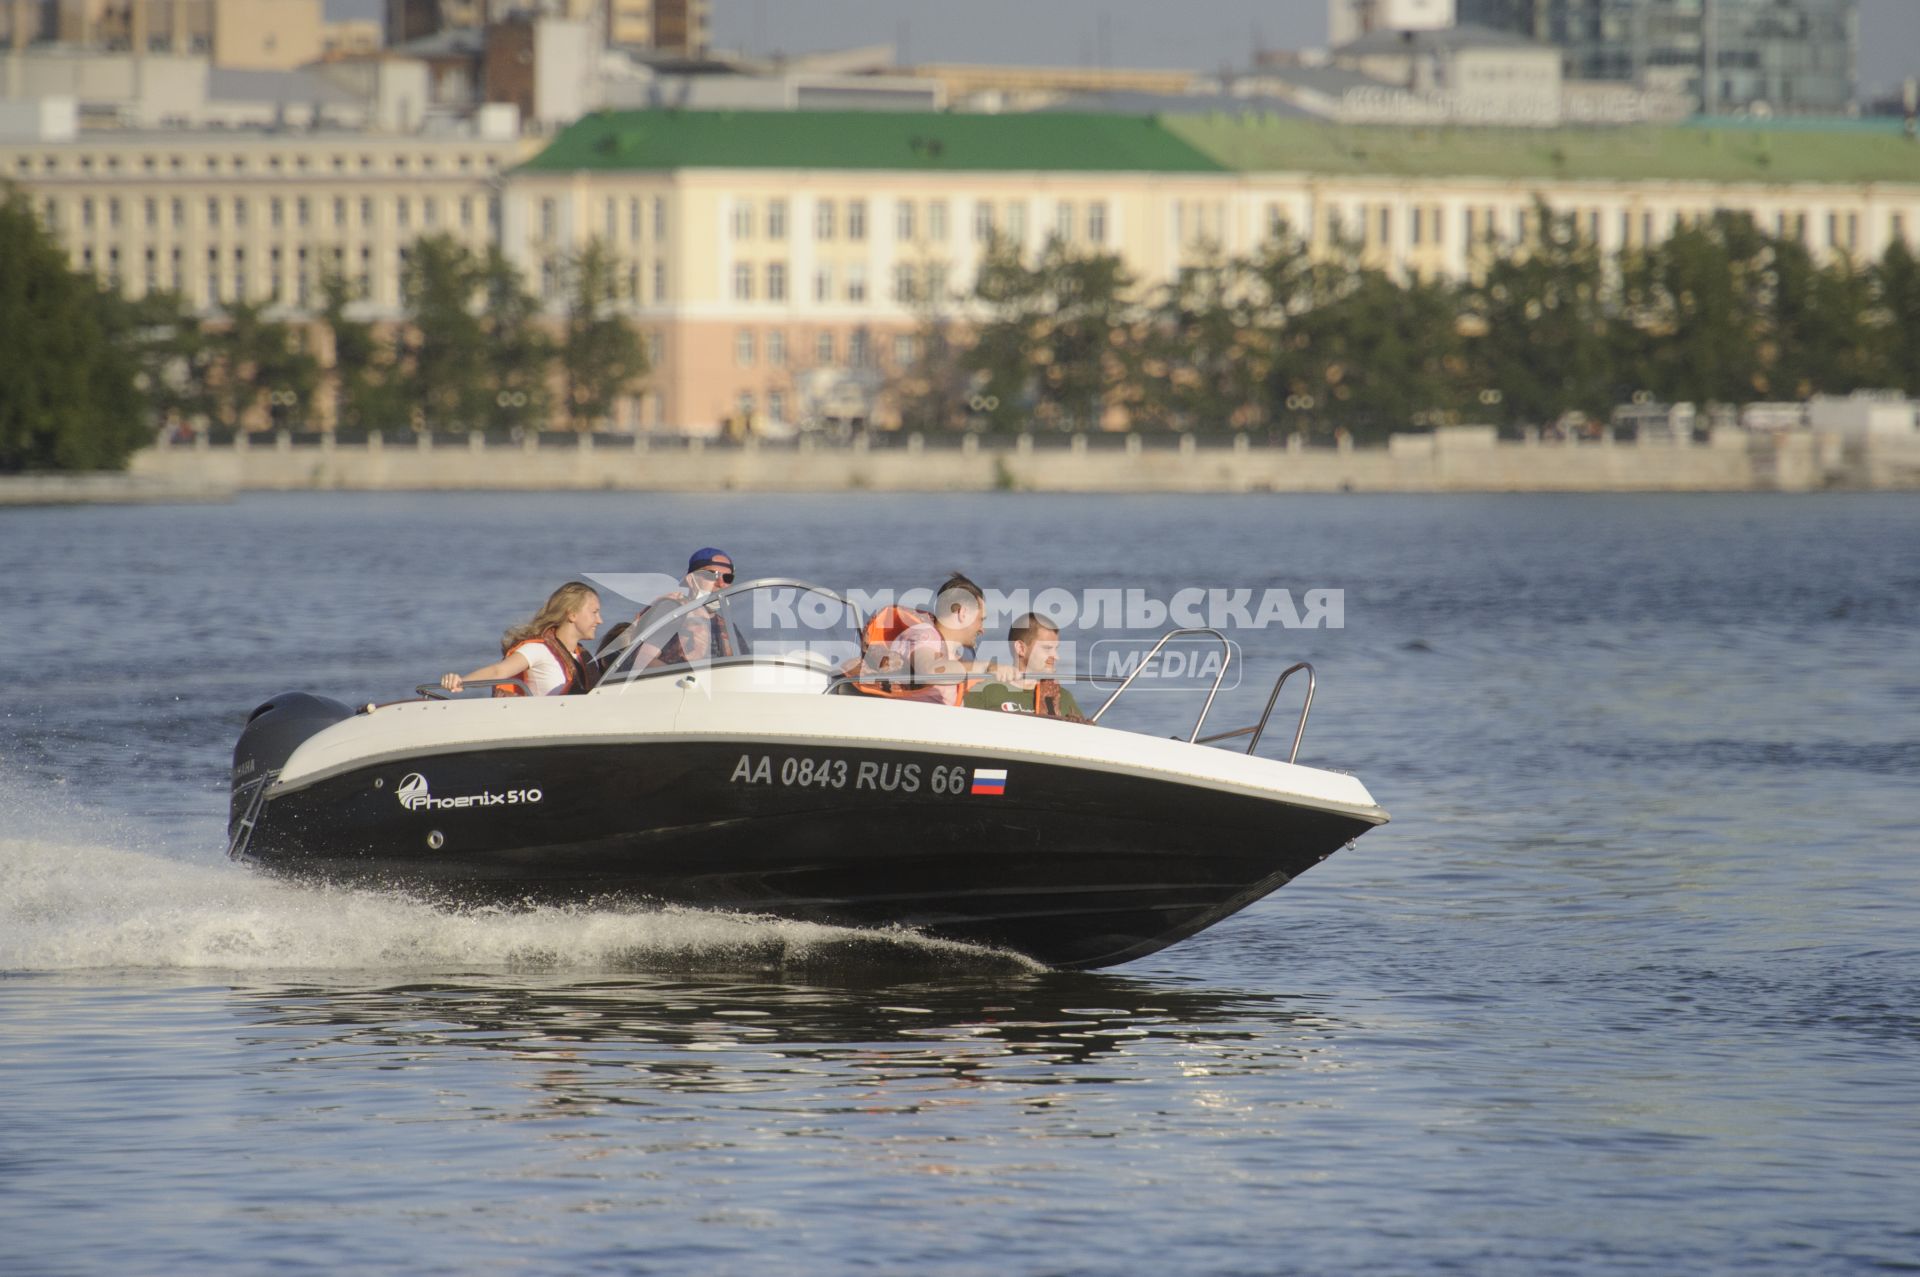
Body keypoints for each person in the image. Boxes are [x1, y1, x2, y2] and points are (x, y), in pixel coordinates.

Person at [870, 573, 1012, 705]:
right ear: (962, 613)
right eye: (980, 619)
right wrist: (986, 666)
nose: (982, 629)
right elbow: (928, 671)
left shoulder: (955, 659)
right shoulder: (924, 635)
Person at [441, 582, 602, 697]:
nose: (599, 620)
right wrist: (461, 681)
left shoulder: (585, 659)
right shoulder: (538, 650)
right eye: (594, 612)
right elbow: (499, 671)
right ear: (572, 614)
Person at [617, 547, 742, 671]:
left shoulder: (728, 627)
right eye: (711, 576)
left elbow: (743, 667)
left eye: (727, 578)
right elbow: (643, 660)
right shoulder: (670, 612)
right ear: (691, 580)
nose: (720, 584)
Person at [964, 613, 1085, 720]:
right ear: (1021, 648)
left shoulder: (1062, 698)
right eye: (1047, 648)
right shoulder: (985, 691)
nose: (1056, 656)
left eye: (1056, 649)